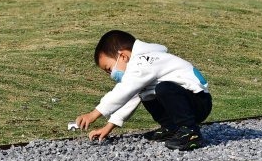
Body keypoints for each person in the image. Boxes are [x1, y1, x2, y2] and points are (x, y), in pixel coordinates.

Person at [76, 29, 212, 151]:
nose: (111, 75)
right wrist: (108, 127)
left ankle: (191, 132)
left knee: (164, 88)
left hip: (199, 102)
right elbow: (130, 97)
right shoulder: (143, 66)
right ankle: (172, 128)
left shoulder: (143, 62)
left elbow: (123, 91)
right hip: (187, 102)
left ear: (123, 56)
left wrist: (93, 114)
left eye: (109, 69)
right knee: (145, 94)